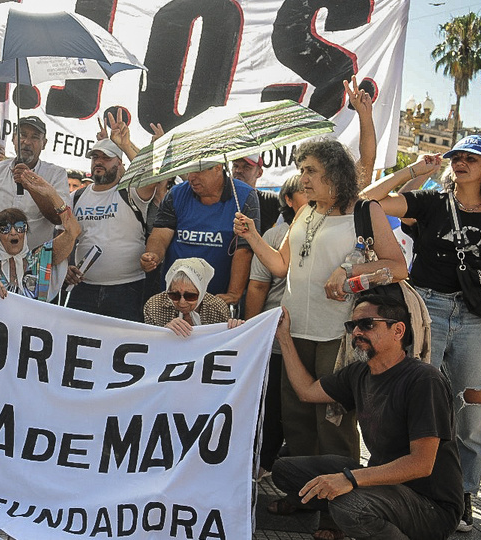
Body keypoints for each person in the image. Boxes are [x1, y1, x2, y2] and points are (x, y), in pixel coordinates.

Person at [234, 139, 409, 526]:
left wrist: (350, 272)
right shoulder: (304, 213)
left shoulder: (366, 211)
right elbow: (281, 267)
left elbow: (397, 266)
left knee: (333, 426)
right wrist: (252, 236)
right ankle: (304, 498)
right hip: (294, 332)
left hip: (340, 335)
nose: (304, 178)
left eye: (311, 170)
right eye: (303, 170)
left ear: (335, 173)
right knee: (296, 421)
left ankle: (335, 515)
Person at [360, 134, 481, 531]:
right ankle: (408, 486)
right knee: (417, 401)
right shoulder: (431, 202)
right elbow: (368, 200)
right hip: (428, 309)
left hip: (480, 319)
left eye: (471, 158)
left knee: (472, 412)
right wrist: (414, 171)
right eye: (456, 156)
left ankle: (464, 495)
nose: (461, 162)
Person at [271, 295, 463, 540]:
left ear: (398, 330)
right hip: (385, 487)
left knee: (350, 507)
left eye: (367, 324)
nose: (357, 333)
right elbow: (306, 392)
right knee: (285, 472)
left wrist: (349, 479)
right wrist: (284, 338)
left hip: (431, 507)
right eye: (352, 326)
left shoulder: (424, 380)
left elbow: (421, 464)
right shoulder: (359, 373)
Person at [244, 174, 307, 476]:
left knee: (300, 410)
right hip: (276, 337)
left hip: (313, 337)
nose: (312, 194)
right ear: (290, 201)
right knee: (271, 405)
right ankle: (262, 464)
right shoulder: (273, 236)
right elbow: (257, 287)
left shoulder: (331, 230)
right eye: (304, 191)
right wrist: (252, 333)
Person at [141, 159, 260, 305]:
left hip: (217, 299)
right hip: (176, 297)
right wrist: (153, 256)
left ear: (217, 167)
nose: (191, 177)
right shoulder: (176, 194)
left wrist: (233, 293)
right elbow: (160, 234)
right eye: (189, 171)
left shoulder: (244, 196)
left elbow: (244, 249)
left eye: (198, 171)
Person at [66, 138, 157, 321]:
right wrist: (66, 266)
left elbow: (153, 175)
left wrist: (125, 144)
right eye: (95, 157)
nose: (98, 162)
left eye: (106, 158)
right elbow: (65, 237)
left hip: (128, 290)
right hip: (84, 289)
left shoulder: (131, 192)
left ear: (119, 163)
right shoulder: (76, 197)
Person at [0, 116, 69, 269]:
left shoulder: (56, 175)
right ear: (13, 139)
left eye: (35, 137)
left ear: (44, 144)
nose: (27, 142)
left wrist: (29, 184)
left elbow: (58, 219)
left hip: (34, 267)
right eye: (22, 135)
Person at [0, 171, 80, 301]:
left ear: (25, 232)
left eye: (19, 226)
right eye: (4, 228)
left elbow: (73, 231)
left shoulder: (40, 259)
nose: (13, 232)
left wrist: (52, 194)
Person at [143, 257, 235, 333]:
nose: (182, 302)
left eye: (190, 296)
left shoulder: (217, 308)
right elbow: (149, 343)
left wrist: (235, 328)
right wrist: (165, 333)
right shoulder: (154, 306)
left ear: (202, 291)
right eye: (174, 295)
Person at [231, 154, 281, 233]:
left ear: (259, 173)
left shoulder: (271, 202)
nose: (238, 170)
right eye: (235, 166)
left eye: (246, 167)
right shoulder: (220, 199)